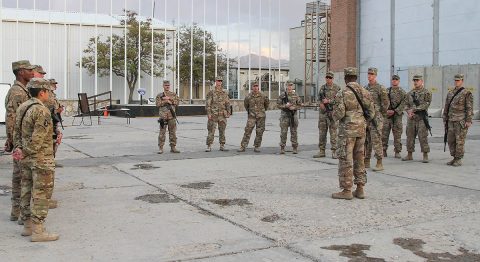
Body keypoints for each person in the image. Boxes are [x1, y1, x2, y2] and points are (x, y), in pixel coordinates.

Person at [12, 78, 59, 242]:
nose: (50, 95)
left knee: (26, 189)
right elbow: (38, 139)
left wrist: (19, 150)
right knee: (41, 193)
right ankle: (39, 231)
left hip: (25, 159)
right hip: (41, 159)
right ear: (42, 92)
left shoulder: (23, 107)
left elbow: (15, 132)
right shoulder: (42, 110)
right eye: (48, 92)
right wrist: (27, 151)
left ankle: (27, 226)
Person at [331, 67, 374, 200]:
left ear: (346, 78)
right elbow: (372, 113)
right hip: (361, 130)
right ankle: (360, 189)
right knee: (360, 159)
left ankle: (347, 190)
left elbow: (339, 114)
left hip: (347, 131)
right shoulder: (366, 92)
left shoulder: (342, 93)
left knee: (346, 160)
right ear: (356, 77)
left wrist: (333, 113)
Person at [4, 60, 35, 223]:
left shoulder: (23, 90)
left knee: (20, 176)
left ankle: (17, 211)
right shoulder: (18, 92)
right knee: (21, 177)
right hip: (21, 141)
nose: (32, 72)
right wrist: (13, 142)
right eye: (29, 70)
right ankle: (20, 212)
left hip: (21, 140)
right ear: (21, 72)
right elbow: (12, 118)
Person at [442, 74, 473, 166]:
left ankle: (458, 159)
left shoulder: (466, 93)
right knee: (451, 140)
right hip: (451, 120)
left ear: (462, 81)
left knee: (459, 140)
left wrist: (468, 120)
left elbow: (469, 108)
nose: (456, 82)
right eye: (455, 80)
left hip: (460, 120)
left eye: (458, 80)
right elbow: (446, 106)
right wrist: (445, 118)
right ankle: (454, 157)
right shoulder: (450, 92)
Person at [364, 67, 389, 171]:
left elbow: (386, 103)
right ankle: (366, 160)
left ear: (375, 75)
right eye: (369, 74)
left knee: (376, 140)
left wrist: (380, 115)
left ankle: (379, 162)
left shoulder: (380, 88)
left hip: (376, 118)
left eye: (372, 74)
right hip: (367, 118)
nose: (370, 76)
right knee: (366, 140)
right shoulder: (365, 88)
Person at [403, 75, 432, 163]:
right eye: (414, 80)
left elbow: (426, 104)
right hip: (411, 118)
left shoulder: (427, 92)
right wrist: (408, 111)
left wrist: (414, 110)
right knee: (409, 136)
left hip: (421, 118)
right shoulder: (410, 93)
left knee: (422, 137)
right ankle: (409, 154)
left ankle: (425, 155)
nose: (415, 82)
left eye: (417, 80)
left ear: (421, 81)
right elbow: (405, 104)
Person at [313, 72, 340, 159]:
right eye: (327, 77)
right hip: (323, 115)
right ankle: (321, 151)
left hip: (332, 114)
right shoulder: (322, 88)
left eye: (330, 78)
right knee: (322, 134)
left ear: (332, 78)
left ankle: (334, 151)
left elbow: (339, 101)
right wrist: (320, 104)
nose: (328, 79)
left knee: (333, 134)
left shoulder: (337, 88)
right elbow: (318, 99)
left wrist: (329, 101)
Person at [238, 82, 269, 152]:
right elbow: (246, 106)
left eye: (256, 86)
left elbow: (266, 104)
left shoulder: (263, 96)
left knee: (259, 132)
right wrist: (251, 112)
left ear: (258, 87)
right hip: (251, 117)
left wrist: (262, 111)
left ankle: (257, 146)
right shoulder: (248, 96)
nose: (255, 87)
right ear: (252, 87)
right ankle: (243, 146)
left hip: (261, 117)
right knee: (247, 131)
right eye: (254, 86)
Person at [382, 75, 407, 159]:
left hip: (397, 116)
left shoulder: (402, 92)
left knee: (397, 135)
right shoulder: (386, 91)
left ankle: (397, 151)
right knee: (384, 134)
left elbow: (404, 102)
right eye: (393, 79)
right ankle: (383, 150)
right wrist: (386, 110)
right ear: (391, 81)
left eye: (396, 80)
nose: (394, 81)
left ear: (399, 81)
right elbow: (382, 101)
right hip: (387, 116)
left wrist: (395, 111)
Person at [205, 76, 231, 152]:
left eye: (220, 81)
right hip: (213, 114)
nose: (219, 82)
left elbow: (227, 103)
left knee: (222, 130)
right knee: (211, 131)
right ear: (215, 82)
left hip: (222, 115)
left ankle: (222, 145)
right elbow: (208, 104)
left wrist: (229, 112)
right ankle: (209, 146)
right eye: (218, 81)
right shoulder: (211, 92)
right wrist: (209, 113)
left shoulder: (224, 92)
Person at [277, 81, 302, 154]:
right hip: (284, 116)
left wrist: (294, 107)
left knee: (294, 132)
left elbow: (300, 105)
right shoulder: (282, 95)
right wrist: (285, 106)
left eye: (291, 85)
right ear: (286, 86)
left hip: (293, 116)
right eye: (288, 85)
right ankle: (282, 148)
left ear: (293, 86)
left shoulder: (296, 95)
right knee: (283, 133)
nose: (290, 87)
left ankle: (294, 147)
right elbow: (278, 105)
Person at [156, 80, 180, 154]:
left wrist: (170, 100)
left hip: (171, 116)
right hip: (163, 117)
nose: (167, 86)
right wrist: (164, 101)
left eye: (168, 85)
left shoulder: (173, 94)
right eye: (166, 85)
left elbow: (177, 103)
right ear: (163, 86)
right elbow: (157, 104)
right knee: (162, 132)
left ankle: (173, 147)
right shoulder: (159, 95)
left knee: (173, 132)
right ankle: (160, 148)